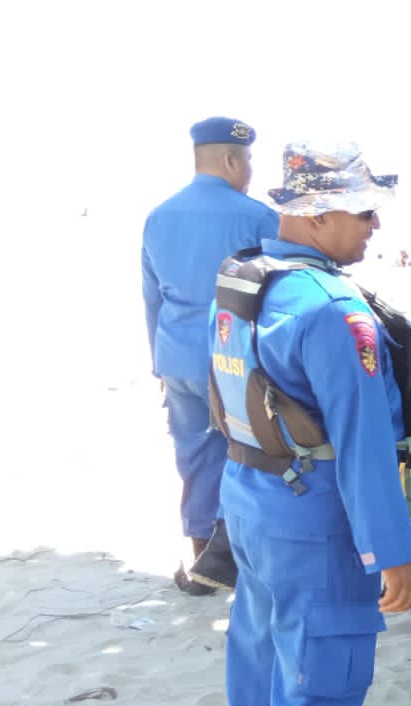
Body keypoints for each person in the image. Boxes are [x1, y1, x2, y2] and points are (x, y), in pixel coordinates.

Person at [210, 142, 411, 706]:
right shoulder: (334, 310)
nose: (371, 225)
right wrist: (391, 551)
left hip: (251, 495)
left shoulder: (246, 281)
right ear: (319, 212)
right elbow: (363, 446)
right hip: (314, 511)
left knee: (263, 644)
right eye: (361, 211)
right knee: (328, 666)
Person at [141, 116, 279, 595]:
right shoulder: (259, 217)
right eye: (247, 160)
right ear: (230, 159)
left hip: (177, 354)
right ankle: (235, 559)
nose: (250, 170)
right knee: (245, 454)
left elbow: (152, 298)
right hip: (235, 356)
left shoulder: (158, 217)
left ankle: (202, 561)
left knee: (194, 454)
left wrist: (158, 362)